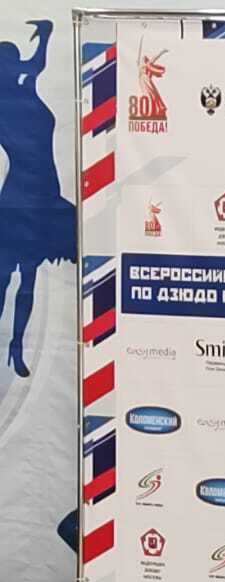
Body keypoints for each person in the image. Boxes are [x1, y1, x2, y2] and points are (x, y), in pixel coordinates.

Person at [0, 19, 74, 380]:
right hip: (19, 194)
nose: (19, 64)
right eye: (11, 60)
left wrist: (45, 35)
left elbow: (37, 64)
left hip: (45, 190)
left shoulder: (25, 85)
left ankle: (17, 346)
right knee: (4, 276)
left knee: (28, 277)